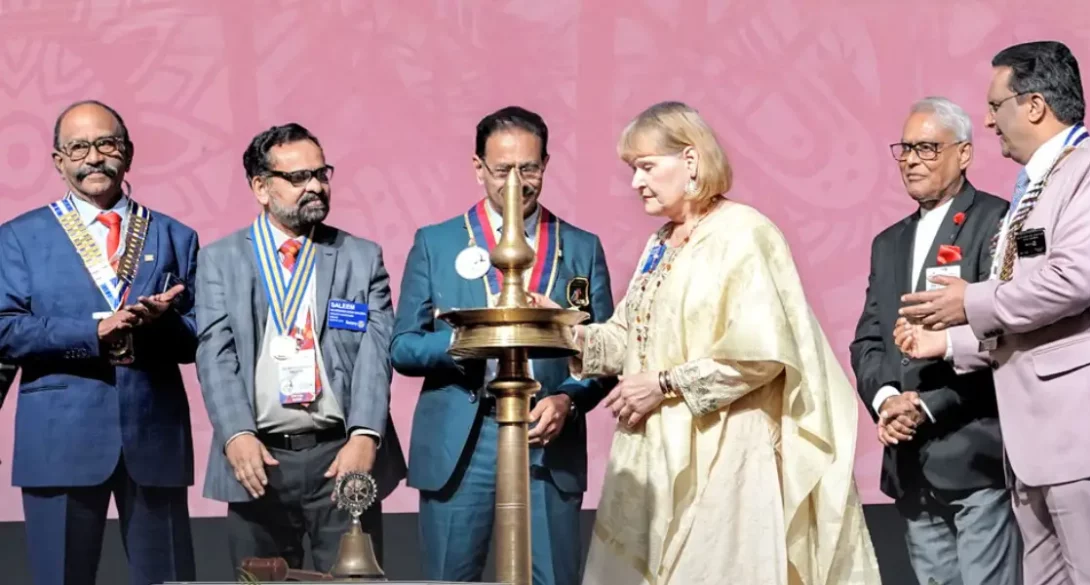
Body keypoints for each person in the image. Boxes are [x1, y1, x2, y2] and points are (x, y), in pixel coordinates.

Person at [530, 101, 882, 584]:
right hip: (656, 450)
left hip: (726, 450)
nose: (636, 182)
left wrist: (664, 383)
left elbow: (762, 355)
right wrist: (562, 330)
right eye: (633, 169)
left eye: (646, 166)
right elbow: (630, 336)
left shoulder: (744, 234)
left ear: (691, 160)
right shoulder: (660, 243)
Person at [897, 41, 1090, 585]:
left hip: (1087, 436)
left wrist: (968, 302)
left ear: (1036, 105)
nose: (988, 122)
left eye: (995, 106)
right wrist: (950, 343)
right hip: (1037, 445)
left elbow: (1072, 283)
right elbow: (1027, 310)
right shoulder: (1034, 187)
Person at [390, 106, 616, 585]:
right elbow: (404, 348)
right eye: (502, 169)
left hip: (545, 436)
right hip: (462, 441)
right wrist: (469, 340)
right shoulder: (436, 243)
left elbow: (607, 355)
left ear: (546, 164)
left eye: (528, 168)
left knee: (553, 579)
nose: (516, 182)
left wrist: (569, 400)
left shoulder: (581, 247)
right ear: (478, 168)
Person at [0, 100, 198, 585]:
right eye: (78, 147)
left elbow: (200, 336)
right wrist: (92, 333)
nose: (94, 157)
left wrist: (162, 323)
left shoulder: (176, 236)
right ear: (58, 160)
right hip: (58, 438)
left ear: (127, 153)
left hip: (154, 436)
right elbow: (5, 329)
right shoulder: (18, 238)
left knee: (168, 579)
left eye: (106, 144)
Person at [195, 123, 406, 574]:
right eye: (297, 177)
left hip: (340, 456)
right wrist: (236, 434)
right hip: (258, 460)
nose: (315, 186)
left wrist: (365, 436)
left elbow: (375, 354)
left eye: (321, 173)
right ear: (260, 187)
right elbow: (216, 355)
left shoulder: (359, 256)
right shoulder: (220, 259)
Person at [850, 97, 1019, 585]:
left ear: (964, 154)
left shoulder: (996, 222)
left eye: (926, 148)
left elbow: (1002, 335)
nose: (911, 160)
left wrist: (926, 405)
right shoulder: (889, 242)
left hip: (974, 451)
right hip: (909, 460)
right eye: (905, 149)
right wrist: (887, 401)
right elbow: (868, 341)